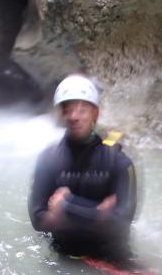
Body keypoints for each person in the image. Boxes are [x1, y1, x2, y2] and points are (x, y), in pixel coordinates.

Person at [28, 74, 138, 267]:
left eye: (82, 109)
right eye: (68, 109)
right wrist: (99, 214)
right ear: (62, 113)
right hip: (64, 258)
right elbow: (38, 220)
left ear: (95, 113)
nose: (74, 116)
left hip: (113, 257)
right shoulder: (48, 159)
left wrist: (67, 206)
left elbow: (121, 224)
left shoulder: (120, 163)